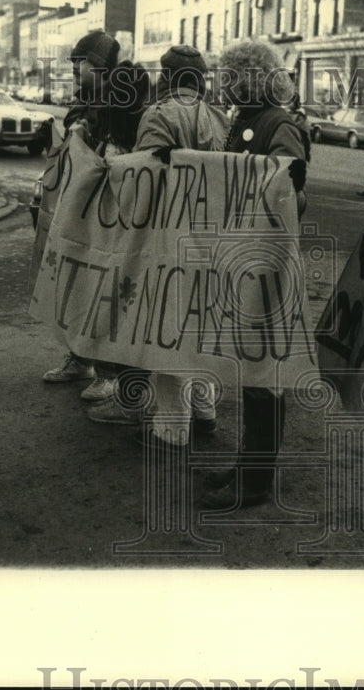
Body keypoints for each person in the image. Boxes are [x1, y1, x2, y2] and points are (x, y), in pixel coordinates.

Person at [199, 39, 310, 510]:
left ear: (244, 76)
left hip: (266, 261)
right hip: (243, 257)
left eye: (226, 72)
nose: (220, 81)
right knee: (251, 371)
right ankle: (248, 465)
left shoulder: (275, 122)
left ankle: (257, 480)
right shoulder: (243, 119)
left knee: (264, 374)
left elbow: (291, 181)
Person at [40, 30, 150, 408]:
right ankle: (82, 357)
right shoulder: (88, 97)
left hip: (111, 213)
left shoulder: (124, 96)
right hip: (84, 208)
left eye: (79, 62)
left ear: (98, 65)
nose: (73, 69)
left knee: (106, 289)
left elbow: (128, 149)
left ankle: (109, 373)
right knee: (79, 284)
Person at [128, 44, 230, 452]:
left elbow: (144, 175)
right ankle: (204, 410)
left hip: (169, 231)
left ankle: (171, 428)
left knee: (167, 326)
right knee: (199, 321)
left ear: (166, 78)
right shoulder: (219, 116)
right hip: (211, 233)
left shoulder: (158, 114)